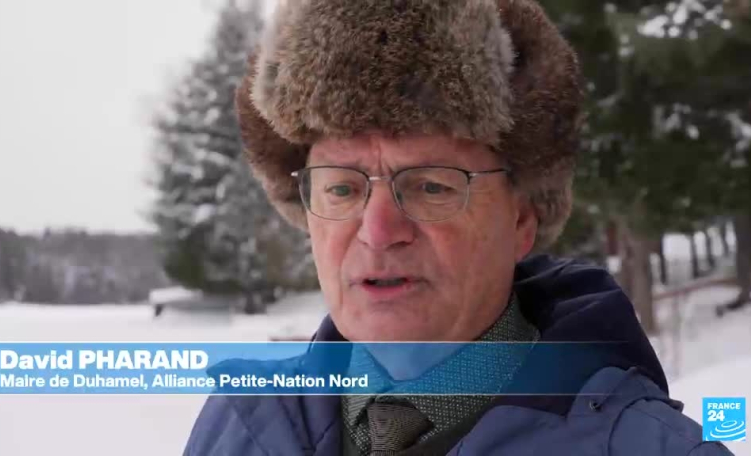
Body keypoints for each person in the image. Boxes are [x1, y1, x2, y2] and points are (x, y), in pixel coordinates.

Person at [184, 0, 734, 454]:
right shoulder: (242, 424)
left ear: (521, 219)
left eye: (431, 187)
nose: (378, 231)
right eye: (342, 189)